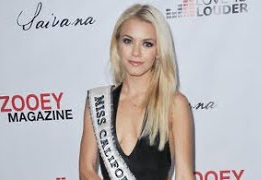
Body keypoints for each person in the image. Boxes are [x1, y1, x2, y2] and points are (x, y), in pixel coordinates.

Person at [79, 3, 195, 180]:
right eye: (128, 41)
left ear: (159, 51)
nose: (136, 52)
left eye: (147, 44)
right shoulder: (97, 102)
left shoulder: (174, 104)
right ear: (117, 44)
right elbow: (86, 170)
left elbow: (185, 176)